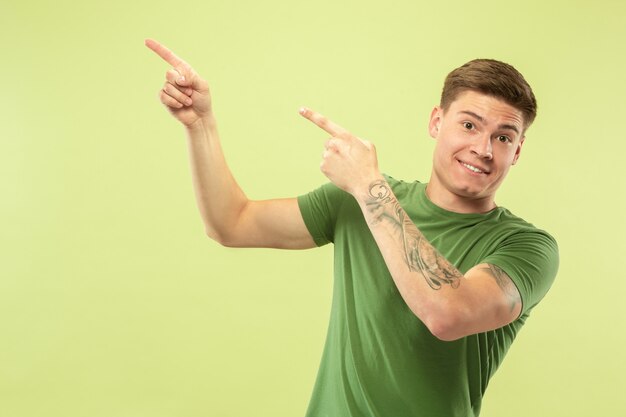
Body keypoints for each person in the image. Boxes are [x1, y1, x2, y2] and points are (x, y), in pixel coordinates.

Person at [145, 38, 559, 417]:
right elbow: (230, 223)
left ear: (517, 150)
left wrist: (368, 184)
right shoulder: (356, 200)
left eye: (504, 138)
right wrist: (201, 126)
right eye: (469, 125)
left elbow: (449, 313)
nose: (483, 149)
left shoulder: (527, 247)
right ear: (437, 122)